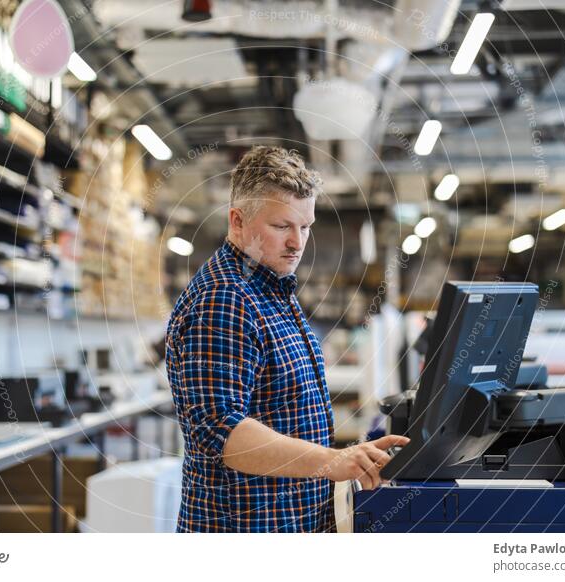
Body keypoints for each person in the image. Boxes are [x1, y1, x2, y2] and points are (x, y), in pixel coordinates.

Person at [165, 145, 409, 532]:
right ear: (237, 220)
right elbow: (223, 433)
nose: (297, 242)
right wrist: (332, 460)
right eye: (281, 227)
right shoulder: (225, 299)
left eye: (306, 226)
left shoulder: (270, 288)